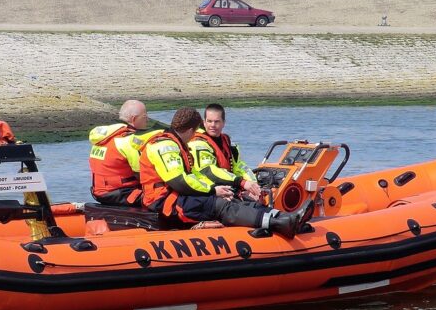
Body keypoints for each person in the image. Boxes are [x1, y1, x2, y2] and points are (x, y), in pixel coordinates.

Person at [139, 107, 311, 239]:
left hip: (178, 196)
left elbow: (194, 177)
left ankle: (284, 218)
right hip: (163, 201)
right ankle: (277, 223)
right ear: (191, 130)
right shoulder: (164, 146)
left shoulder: (180, 144)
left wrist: (218, 188)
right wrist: (213, 191)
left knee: (233, 198)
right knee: (220, 205)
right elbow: (180, 182)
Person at [88, 99, 162, 206]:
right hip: (121, 194)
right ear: (134, 119)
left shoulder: (102, 138)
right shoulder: (129, 140)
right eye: (145, 116)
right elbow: (142, 174)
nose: (147, 120)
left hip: (99, 192)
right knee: (163, 195)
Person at [189, 103, 260, 201]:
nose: (212, 125)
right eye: (209, 121)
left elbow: (240, 166)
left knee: (259, 197)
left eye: (216, 121)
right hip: (211, 191)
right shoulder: (198, 144)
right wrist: (241, 182)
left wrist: (252, 184)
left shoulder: (228, 142)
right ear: (204, 122)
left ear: (223, 123)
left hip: (230, 187)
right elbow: (210, 171)